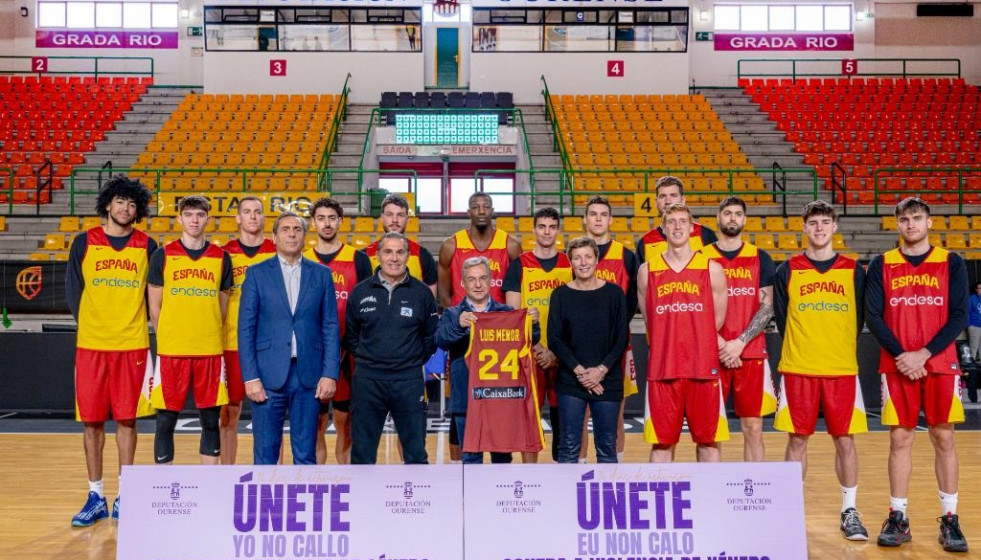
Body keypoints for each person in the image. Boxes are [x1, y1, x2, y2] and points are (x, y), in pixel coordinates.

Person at [865, 197, 969, 552]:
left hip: (939, 363)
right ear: (896, 224)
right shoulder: (881, 264)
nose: (911, 224)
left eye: (917, 218)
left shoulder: (951, 262)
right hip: (896, 365)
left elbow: (958, 315)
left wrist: (923, 354)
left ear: (929, 222)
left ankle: (951, 520)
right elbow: (873, 316)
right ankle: (898, 516)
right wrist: (902, 355)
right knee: (899, 440)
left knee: (944, 438)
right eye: (905, 219)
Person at [773, 199, 869, 541]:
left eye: (825, 222)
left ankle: (850, 511)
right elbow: (783, 320)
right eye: (813, 223)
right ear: (804, 227)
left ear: (835, 227)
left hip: (840, 367)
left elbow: (859, 318)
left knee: (845, 439)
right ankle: (788, 509)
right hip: (799, 366)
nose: (819, 228)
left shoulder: (854, 271)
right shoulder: (787, 269)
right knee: (797, 439)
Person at [66, 176, 155, 526]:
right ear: (107, 204)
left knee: (127, 421)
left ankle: (125, 494)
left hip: (132, 344)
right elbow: (75, 291)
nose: (125, 208)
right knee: (91, 422)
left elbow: (154, 294)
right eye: (120, 202)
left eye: (132, 204)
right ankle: (95, 495)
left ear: (139, 210)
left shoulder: (147, 245)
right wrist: (92, 324)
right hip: (92, 345)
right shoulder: (83, 242)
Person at [238, 211, 341, 465]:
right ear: (273, 237)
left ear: (305, 237)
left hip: (308, 374)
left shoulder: (321, 274)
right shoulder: (257, 273)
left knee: (306, 453)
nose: (291, 234)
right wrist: (250, 377)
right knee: (265, 454)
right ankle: (265, 505)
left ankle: (304, 505)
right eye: (285, 229)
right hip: (267, 374)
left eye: (297, 229)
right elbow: (246, 329)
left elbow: (330, 326)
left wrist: (330, 373)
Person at [638, 204, 729, 463]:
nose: (677, 227)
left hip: (702, 367)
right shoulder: (647, 271)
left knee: (709, 443)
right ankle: (660, 503)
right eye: (671, 222)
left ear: (692, 228)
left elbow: (718, 319)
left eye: (682, 222)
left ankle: (708, 503)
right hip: (663, 369)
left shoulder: (712, 269)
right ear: (664, 228)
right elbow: (649, 319)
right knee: (661, 445)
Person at [147, 195, 233, 466]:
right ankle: (165, 484)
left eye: (200, 214)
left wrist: (203, 328)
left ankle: (209, 486)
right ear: (179, 219)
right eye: (189, 214)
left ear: (208, 219)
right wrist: (171, 335)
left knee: (210, 420)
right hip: (173, 350)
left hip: (208, 349)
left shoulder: (221, 257)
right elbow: (155, 308)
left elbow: (221, 307)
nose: (194, 219)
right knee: (165, 420)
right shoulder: (162, 255)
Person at [437, 257, 542, 463]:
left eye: (483, 278)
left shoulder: (506, 313)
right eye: (472, 279)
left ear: (491, 281)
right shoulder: (452, 314)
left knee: (502, 461)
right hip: (466, 400)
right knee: (470, 461)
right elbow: (440, 340)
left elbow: (531, 339)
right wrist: (459, 325)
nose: (477, 284)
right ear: (463, 283)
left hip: (501, 399)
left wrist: (533, 323)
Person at [347, 232, 439, 464]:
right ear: (378, 256)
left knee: (416, 453)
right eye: (388, 252)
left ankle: (416, 500)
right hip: (368, 380)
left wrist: (409, 360)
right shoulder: (360, 292)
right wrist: (371, 359)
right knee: (362, 455)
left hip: (408, 380)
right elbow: (352, 336)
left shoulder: (422, 293)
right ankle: (364, 500)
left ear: (408, 256)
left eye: (400, 252)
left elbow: (430, 337)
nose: (394, 258)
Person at [700, 197, 777, 461]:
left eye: (738, 214)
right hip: (712, 354)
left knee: (753, 427)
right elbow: (696, 308)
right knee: (710, 430)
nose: (732, 218)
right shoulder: (701, 257)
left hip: (751, 352)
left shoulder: (760, 257)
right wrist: (722, 343)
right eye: (727, 213)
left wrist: (739, 342)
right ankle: (711, 492)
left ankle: (753, 490)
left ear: (744, 220)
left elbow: (766, 307)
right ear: (717, 219)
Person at [548, 237, 630, 463]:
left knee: (606, 448)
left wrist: (600, 371)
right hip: (571, 382)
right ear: (570, 262)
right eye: (577, 258)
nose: (583, 262)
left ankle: (605, 498)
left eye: (587, 256)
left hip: (608, 381)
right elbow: (554, 339)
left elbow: (621, 338)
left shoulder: (614, 294)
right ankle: (567, 499)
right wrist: (580, 372)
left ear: (596, 260)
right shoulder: (560, 295)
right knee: (569, 446)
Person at [305, 198, 372, 464]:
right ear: (313, 223)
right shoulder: (302, 259)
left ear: (341, 221)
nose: (327, 223)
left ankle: (347, 482)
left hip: (349, 352)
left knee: (346, 421)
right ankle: (317, 482)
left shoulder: (358, 259)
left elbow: (368, 307)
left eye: (332, 218)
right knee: (316, 423)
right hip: (313, 353)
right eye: (321, 218)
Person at [503, 207, 572, 462]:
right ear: (534, 229)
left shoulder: (569, 263)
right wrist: (539, 347)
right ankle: (529, 476)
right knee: (528, 415)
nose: (546, 231)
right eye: (542, 226)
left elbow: (578, 313)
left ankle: (562, 470)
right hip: (529, 353)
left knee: (563, 416)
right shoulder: (520, 265)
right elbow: (512, 312)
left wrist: (555, 350)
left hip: (563, 354)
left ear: (558, 230)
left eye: (552, 227)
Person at [219, 196, 277, 465]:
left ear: (264, 218)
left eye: (258, 212)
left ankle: (275, 478)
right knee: (229, 414)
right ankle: (226, 476)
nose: (253, 216)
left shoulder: (277, 251)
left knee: (271, 413)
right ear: (238, 218)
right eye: (247, 212)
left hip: (269, 345)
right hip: (232, 343)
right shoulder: (223, 254)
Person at [582, 195, 638, 461]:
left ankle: (617, 468)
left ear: (610, 220)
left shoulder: (626, 256)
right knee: (581, 414)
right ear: (585, 219)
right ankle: (578, 468)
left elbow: (631, 302)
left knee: (616, 412)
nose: (598, 219)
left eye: (603, 214)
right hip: (582, 347)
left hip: (618, 348)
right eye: (593, 214)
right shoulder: (576, 255)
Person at [438, 191, 522, 308]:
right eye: (475, 207)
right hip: (462, 319)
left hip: (498, 320)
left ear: (492, 211)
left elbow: (519, 289)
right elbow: (443, 292)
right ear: (469, 212)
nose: (481, 211)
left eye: (486, 207)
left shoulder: (511, 245)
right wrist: (453, 317)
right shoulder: (450, 245)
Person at [363, 194, 438, 295]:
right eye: (389, 214)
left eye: (400, 215)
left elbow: (430, 301)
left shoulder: (423, 255)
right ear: (382, 218)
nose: (394, 220)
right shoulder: (364, 255)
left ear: (407, 219)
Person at [636, 175, 718, 265]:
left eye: (673, 195)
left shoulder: (705, 235)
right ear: (656, 202)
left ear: (683, 200)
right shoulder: (645, 242)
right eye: (662, 196)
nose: (668, 201)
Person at [968, 283, 981, 362]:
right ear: (976, 289)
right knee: (974, 346)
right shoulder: (971, 298)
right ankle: (972, 365)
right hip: (974, 325)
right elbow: (967, 312)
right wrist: (969, 324)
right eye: (979, 288)